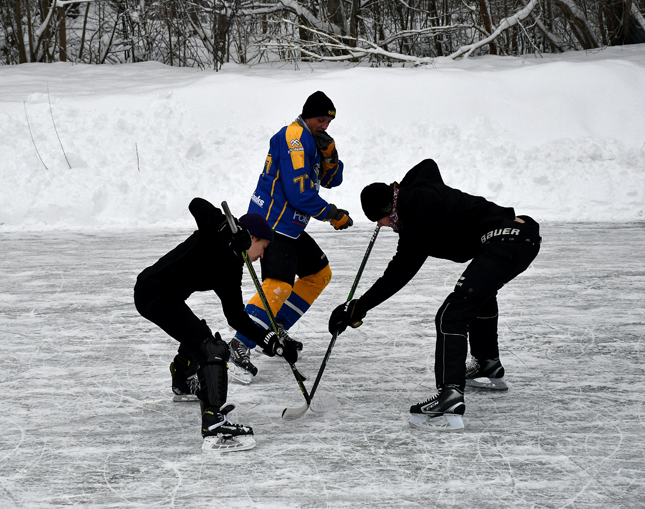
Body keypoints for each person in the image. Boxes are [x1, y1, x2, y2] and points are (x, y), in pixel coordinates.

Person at [329, 158, 541, 431]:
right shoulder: (418, 189)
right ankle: (488, 362)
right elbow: (427, 165)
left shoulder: (416, 221)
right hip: (520, 236)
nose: (381, 226)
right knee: (479, 295)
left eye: (379, 219)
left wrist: (359, 307)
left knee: (451, 315)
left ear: (387, 208)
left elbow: (398, 274)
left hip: (505, 239)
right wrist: (400, 189)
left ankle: (449, 396)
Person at [134, 197, 301, 452]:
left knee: (199, 334)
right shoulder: (217, 232)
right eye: (263, 246)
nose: (263, 254)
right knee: (212, 349)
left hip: (165, 297)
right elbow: (196, 204)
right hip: (153, 293)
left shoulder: (233, 267)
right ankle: (214, 423)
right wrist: (224, 225)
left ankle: (182, 380)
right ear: (252, 238)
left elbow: (236, 317)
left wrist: (271, 343)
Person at [228, 91, 354, 383]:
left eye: (328, 122)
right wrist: (331, 214)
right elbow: (300, 194)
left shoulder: (312, 140)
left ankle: (272, 328)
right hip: (273, 224)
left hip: (292, 226)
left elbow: (332, 181)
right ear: (308, 116)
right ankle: (239, 344)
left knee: (319, 274)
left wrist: (330, 157)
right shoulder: (294, 138)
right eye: (321, 120)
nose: (325, 126)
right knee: (279, 286)